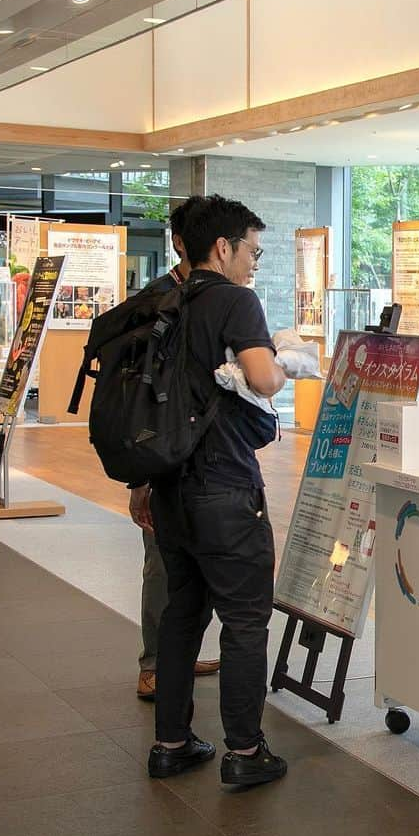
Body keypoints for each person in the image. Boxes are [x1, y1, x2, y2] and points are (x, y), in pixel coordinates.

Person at [134, 194, 288, 787]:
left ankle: (171, 743)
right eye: (251, 250)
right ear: (221, 248)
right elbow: (261, 376)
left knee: (181, 616)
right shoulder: (234, 301)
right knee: (246, 621)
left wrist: (143, 482)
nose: (254, 262)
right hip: (225, 489)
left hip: (170, 488)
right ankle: (245, 753)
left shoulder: (163, 301)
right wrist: (283, 363)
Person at [128, 196, 220, 701]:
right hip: (166, 459)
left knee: (197, 567)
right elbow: (140, 397)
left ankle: (174, 656)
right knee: (163, 561)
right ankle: (154, 662)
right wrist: (140, 479)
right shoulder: (159, 301)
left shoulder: (216, 299)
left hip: (210, 462)